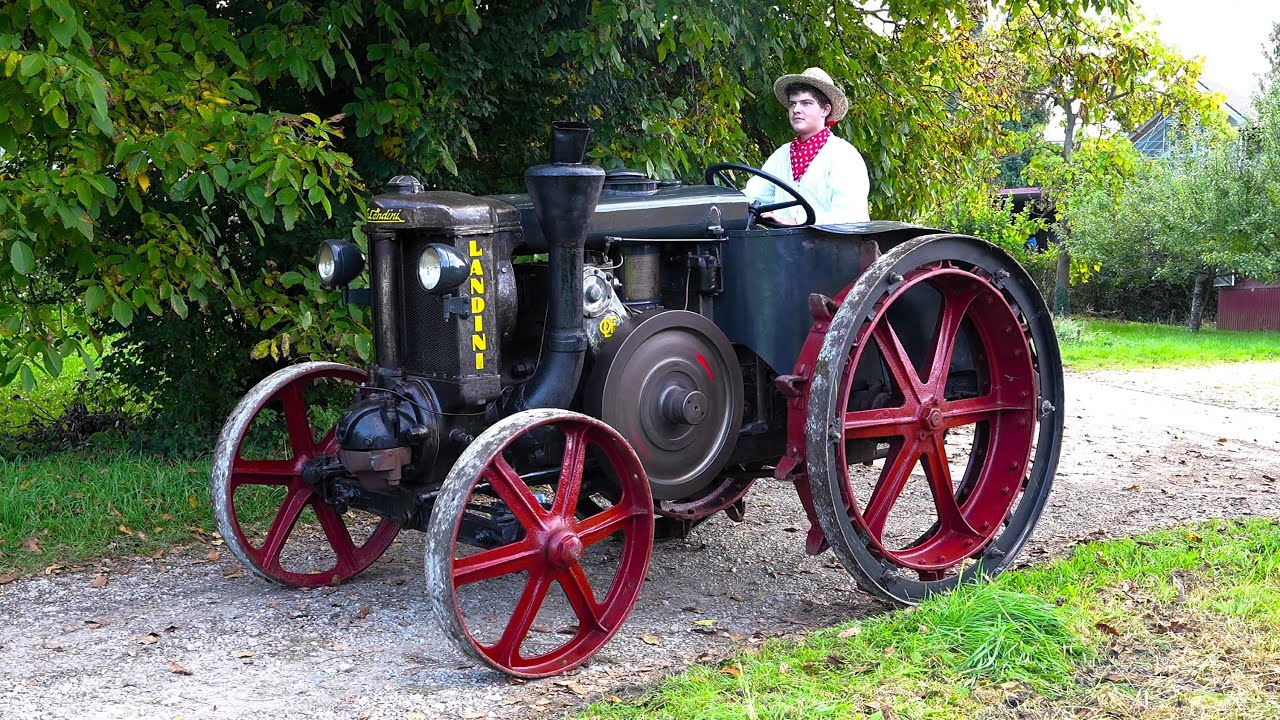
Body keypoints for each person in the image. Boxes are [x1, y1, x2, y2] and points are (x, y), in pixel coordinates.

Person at [743, 67, 870, 225]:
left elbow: (851, 218)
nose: (796, 110)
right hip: (782, 246)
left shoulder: (843, 156)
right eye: (792, 104)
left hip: (830, 247)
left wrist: (795, 221)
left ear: (825, 110)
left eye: (806, 103)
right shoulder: (781, 156)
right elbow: (753, 197)